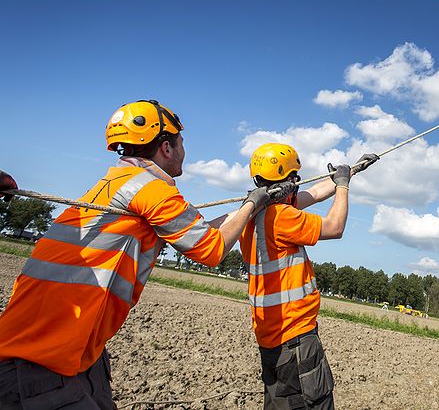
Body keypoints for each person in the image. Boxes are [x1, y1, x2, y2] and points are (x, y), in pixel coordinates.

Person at [0, 100, 292, 409]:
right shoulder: (152, 190)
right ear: (166, 148)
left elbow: (200, 230)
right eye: (181, 142)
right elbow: (212, 248)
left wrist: (253, 206)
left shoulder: (117, 185)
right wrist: (253, 204)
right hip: (39, 366)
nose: (183, 150)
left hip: (63, 355)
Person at [240, 143, 378, 409]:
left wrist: (351, 172)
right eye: (295, 178)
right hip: (296, 339)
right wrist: (343, 187)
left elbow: (313, 193)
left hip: (272, 338)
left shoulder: (251, 214)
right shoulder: (282, 217)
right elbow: (335, 227)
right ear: (288, 181)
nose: (298, 184)